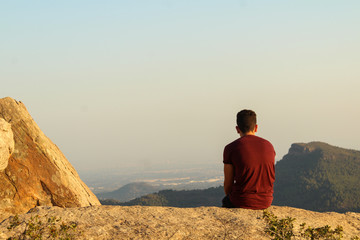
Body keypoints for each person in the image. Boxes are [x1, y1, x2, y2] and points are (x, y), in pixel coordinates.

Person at [222, 109, 275, 209]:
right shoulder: (269, 146)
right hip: (266, 201)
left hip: (241, 201)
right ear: (256, 127)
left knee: (225, 201)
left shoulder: (230, 148)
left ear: (237, 129)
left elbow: (228, 184)